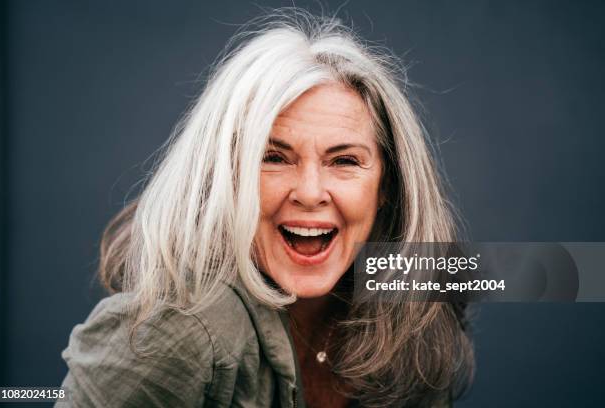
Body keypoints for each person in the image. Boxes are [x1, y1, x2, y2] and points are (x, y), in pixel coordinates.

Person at [56, 9, 474, 408]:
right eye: (274, 157)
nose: (310, 193)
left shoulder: (415, 301)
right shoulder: (180, 326)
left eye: (344, 161)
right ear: (228, 176)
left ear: (387, 185)